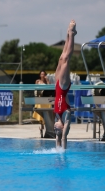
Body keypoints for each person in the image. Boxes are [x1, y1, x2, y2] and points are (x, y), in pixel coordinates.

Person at [54, 20, 77, 149]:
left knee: (61, 58)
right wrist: (63, 146)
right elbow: (62, 138)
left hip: (57, 87)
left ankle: (68, 35)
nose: (55, 128)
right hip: (63, 87)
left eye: (55, 129)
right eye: (57, 129)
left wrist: (57, 148)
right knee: (67, 59)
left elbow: (57, 139)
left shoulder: (57, 115)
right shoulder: (66, 115)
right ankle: (72, 34)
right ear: (62, 128)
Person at [33, 70, 51, 137]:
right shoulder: (38, 81)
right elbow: (35, 90)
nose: (43, 75)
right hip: (40, 98)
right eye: (41, 74)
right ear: (40, 75)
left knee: (47, 114)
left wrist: (48, 81)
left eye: (44, 74)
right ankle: (41, 127)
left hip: (46, 99)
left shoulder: (47, 82)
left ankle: (47, 129)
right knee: (41, 114)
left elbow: (50, 89)